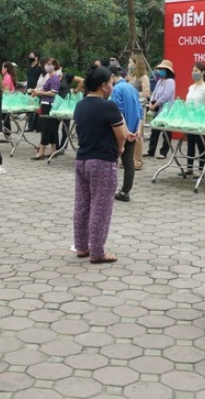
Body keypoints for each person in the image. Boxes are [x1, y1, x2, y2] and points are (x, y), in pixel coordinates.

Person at [73, 66, 129, 264]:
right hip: (103, 161)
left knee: (82, 204)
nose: (113, 86)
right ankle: (98, 251)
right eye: (111, 83)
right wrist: (120, 149)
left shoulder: (80, 105)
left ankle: (81, 246)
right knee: (101, 206)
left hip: (82, 159)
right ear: (104, 85)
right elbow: (121, 135)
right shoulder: (108, 106)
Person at [110, 66, 141, 202]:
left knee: (111, 160)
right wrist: (137, 130)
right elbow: (140, 112)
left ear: (112, 76)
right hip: (133, 131)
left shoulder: (117, 89)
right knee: (129, 162)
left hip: (121, 131)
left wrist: (125, 130)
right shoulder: (132, 89)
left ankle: (108, 188)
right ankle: (125, 191)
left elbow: (118, 112)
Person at [181, 62, 205, 178]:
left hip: (200, 121)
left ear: (203, 72)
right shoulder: (191, 87)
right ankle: (189, 167)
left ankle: (200, 169)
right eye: (193, 71)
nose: (194, 73)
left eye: (196, 71)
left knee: (201, 145)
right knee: (190, 144)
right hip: (190, 120)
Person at [31, 57, 62, 160]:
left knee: (46, 128)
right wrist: (37, 91)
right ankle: (54, 150)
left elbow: (53, 93)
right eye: (46, 64)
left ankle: (41, 151)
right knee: (52, 128)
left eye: (50, 64)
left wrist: (40, 93)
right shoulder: (50, 76)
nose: (47, 66)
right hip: (45, 104)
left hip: (49, 105)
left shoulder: (54, 78)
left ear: (54, 66)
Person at [146, 59, 176, 159]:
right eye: (160, 69)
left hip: (166, 111)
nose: (160, 71)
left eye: (163, 69)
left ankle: (164, 152)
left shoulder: (171, 82)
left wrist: (155, 104)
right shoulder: (159, 81)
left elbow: (165, 96)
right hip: (157, 110)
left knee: (166, 132)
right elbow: (154, 93)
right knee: (154, 131)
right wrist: (151, 103)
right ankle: (151, 151)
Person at [128, 54, 151, 170]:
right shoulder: (131, 77)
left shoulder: (144, 78)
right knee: (129, 132)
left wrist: (134, 93)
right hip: (130, 107)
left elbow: (147, 93)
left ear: (136, 64)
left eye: (130, 62)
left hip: (139, 108)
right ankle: (128, 159)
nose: (129, 65)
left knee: (138, 134)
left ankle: (138, 160)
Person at [25, 51, 43, 132]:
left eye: (31, 56)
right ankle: (30, 126)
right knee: (29, 109)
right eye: (29, 56)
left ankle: (37, 126)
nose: (30, 58)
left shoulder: (39, 68)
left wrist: (37, 89)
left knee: (36, 108)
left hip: (36, 90)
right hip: (28, 89)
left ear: (36, 57)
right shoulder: (29, 67)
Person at [0, 61, 18, 141]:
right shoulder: (9, 76)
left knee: (4, 117)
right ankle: (7, 133)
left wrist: (0, 90)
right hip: (9, 99)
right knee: (5, 117)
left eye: (3, 67)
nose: (2, 69)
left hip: (7, 100)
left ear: (6, 68)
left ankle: (7, 133)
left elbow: (6, 91)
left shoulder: (7, 77)